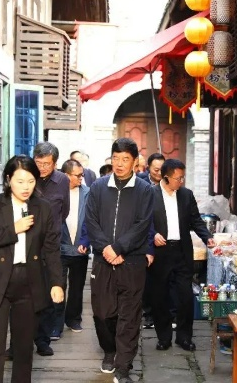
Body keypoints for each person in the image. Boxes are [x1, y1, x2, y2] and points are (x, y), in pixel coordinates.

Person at [0, 155, 63, 382]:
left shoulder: (43, 208)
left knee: (24, 349)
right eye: (20, 181)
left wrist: (57, 283)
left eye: (31, 181)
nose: (26, 187)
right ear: (8, 179)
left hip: (29, 282)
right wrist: (14, 229)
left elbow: (51, 248)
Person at [85, 138, 154, 383]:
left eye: (125, 159)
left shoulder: (145, 190)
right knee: (103, 313)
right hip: (103, 259)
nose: (120, 163)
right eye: (116, 158)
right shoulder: (98, 187)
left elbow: (142, 225)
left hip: (131, 261)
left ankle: (123, 367)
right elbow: (90, 220)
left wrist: (119, 248)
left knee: (129, 316)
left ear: (135, 162)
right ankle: (109, 350)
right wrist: (106, 248)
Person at [150, 159, 215, 352]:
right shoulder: (150, 194)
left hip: (182, 251)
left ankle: (184, 337)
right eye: (178, 178)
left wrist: (207, 238)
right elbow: (142, 221)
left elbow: (196, 220)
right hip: (160, 252)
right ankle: (163, 337)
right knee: (160, 296)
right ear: (166, 178)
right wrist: (152, 235)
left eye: (182, 177)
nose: (181, 181)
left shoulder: (186, 195)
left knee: (185, 296)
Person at [33, 142, 70, 350]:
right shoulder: (27, 176)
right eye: (38, 163)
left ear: (55, 163)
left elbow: (64, 211)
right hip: (28, 243)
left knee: (49, 292)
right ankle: (19, 342)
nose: (42, 168)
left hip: (51, 245)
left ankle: (43, 340)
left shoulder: (62, 180)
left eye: (46, 164)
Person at [53, 159, 90, 335]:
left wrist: (86, 241)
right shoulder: (55, 192)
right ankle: (56, 324)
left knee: (77, 287)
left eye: (82, 175)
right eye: (78, 175)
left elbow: (92, 219)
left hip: (81, 248)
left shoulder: (88, 193)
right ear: (66, 175)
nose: (81, 178)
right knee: (58, 285)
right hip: (59, 248)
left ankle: (74, 319)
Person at [139, 152, 166, 330]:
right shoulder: (140, 183)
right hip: (145, 237)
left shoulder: (169, 183)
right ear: (148, 168)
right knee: (147, 280)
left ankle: (162, 313)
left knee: (162, 279)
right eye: (156, 170)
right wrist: (152, 233)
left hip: (164, 238)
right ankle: (147, 313)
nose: (159, 173)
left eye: (162, 170)